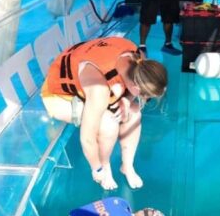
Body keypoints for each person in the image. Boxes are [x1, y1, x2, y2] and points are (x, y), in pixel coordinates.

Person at [41, 36, 167, 190]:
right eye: (146, 97)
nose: (144, 100)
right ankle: (106, 166)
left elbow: (132, 91)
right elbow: (87, 138)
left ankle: (127, 166)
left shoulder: (139, 59)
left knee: (134, 113)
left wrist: (127, 99)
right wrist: (97, 168)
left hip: (90, 78)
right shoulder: (98, 88)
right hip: (59, 96)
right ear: (136, 87)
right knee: (108, 122)